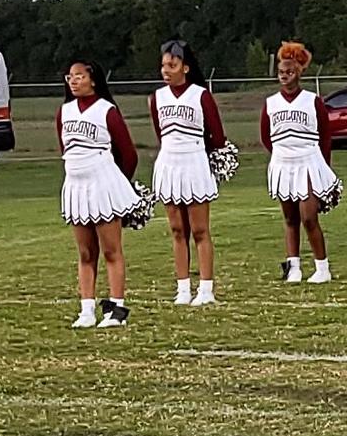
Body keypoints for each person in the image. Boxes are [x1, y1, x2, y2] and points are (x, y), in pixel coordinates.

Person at [60, 59, 140, 327]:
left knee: (111, 250)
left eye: (79, 76)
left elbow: (127, 153)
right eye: (70, 76)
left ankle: (116, 309)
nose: (73, 81)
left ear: (93, 79)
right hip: (76, 186)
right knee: (85, 252)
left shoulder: (107, 111)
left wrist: (118, 184)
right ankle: (86, 309)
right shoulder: (65, 111)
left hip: (103, 184)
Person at [150, 40, 227, 306]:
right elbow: (160, 133)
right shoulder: (157, 98)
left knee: (200, 229)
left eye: (172, 65)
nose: (166, 70)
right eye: (163, 65)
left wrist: (198, 151)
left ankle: (205, 289)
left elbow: (217, 136)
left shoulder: (200, 95)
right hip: (169, 164)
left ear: (185, 67)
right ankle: (183, 288)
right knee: (176, 229)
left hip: (194, 163)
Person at [264, 42, 340, 283]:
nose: (285, 76)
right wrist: (280, 154)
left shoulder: (312, 100)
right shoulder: (271, 102)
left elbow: (325, 135)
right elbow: (267, 136)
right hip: (283, 162)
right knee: (289, 217)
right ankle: (293, 266)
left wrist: (323, 167)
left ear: (299, 72)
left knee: (309, 216)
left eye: (290, 71)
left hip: (308, 161)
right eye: (281, 72)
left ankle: (322, 267)